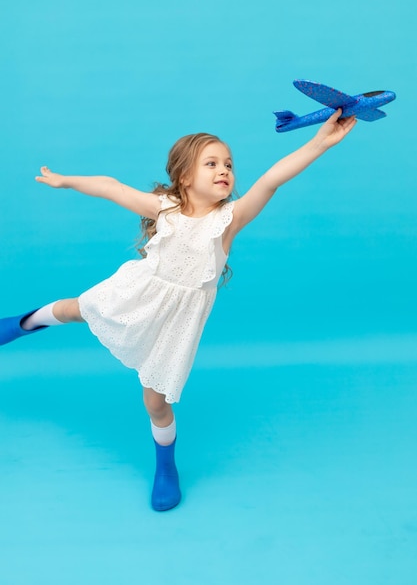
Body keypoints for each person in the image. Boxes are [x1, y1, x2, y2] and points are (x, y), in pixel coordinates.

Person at [0, 109, 356, 510]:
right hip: (139, 291)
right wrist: (67, 181)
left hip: (178, 322)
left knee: (155, 402)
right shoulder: (165, 208)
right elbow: (111, 187)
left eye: (229, 165)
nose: (224, 170)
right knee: (73, 309)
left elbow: (273, 179)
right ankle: (21, 323)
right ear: (185, 177)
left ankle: (166, 467)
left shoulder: (230, 220)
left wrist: (319, 142)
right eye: (211, 163)